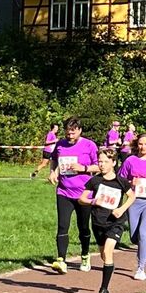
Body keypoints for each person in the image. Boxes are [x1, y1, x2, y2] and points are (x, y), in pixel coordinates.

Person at [79, 149, 135, 293]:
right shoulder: (95, 181)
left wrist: (121, 209)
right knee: (104, 255)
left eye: (105, 162)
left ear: (114, 163)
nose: (102, 165)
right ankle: (108, 269)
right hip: (98, 223)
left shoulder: (121, 182)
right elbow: (81, 199)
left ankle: (104, 290)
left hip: (115, 223)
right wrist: (92, 201)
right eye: (100, 161)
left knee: (109, 251)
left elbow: (132, 196)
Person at [49, 117, 99, 274]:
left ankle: (85, 254)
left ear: (79, 130)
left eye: (73, 132)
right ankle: (61, 260)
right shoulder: (60, 144)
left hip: (83, 193)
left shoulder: (89, 145)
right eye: (68, 132)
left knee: (83, 226)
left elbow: (98, 166)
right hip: (63, 191)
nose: (70, 135)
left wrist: (83, 168)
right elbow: (54, 160)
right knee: (62, 225)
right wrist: (53, 172)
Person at [118, 131, 146, 280]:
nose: (143, 147)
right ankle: (143, 247)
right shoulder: (130, 160)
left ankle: (141, 268)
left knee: (143, 234)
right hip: (134, 201)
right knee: (135, 237)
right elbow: (120, 179)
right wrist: (130, 183)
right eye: (141, 144)